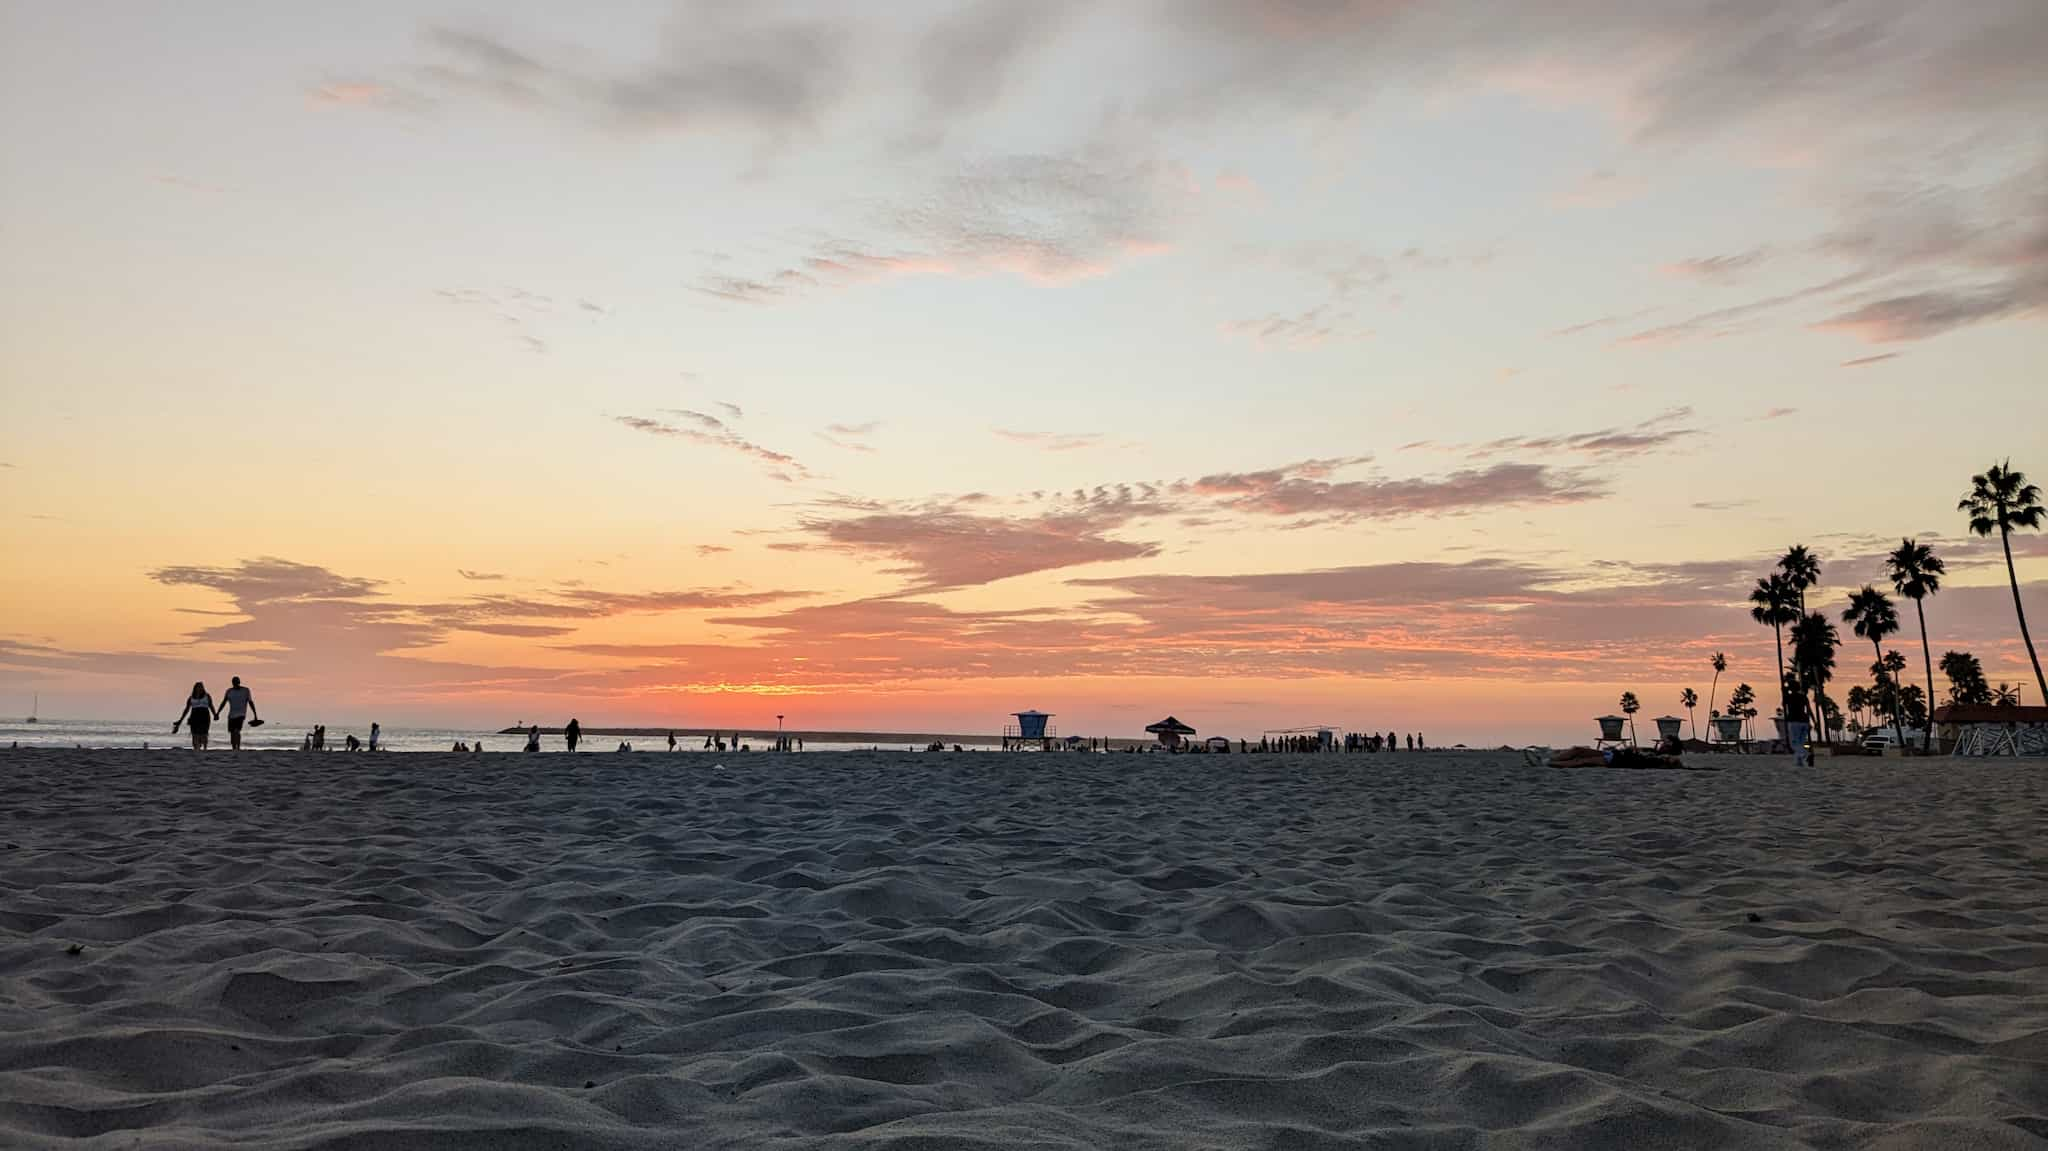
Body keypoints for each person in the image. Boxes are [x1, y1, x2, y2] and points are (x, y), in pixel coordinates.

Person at [215, 676, 260, 752]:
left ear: (239, 682)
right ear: (232, 683)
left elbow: (250, 702)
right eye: (234, 682)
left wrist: (255, 714)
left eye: (237, 682)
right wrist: (218, 713)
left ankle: (238, 747)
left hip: (241, 714)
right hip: (231, 715)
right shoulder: (229, 691)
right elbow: (224, 702)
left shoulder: (245, 690)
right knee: (232, 732)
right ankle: (233, 747)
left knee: (237, 731)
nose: (236, 684)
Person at [174, 681, 213, 751]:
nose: (199, 689)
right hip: (194, 716)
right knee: (194, 734)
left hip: (205, 716)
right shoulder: (191, 698)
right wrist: (180, 720)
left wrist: (215, 714)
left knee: (204, 733)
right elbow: (186, 709)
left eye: (201, 687)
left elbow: (211, 706)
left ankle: (204, 748)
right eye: (198, 687)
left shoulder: (207, 696)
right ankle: (196, 748)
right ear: (195, 688)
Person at [1783, 681, 1812, 767]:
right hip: (1804, 721)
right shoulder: (1803, 697)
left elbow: (1784, 705)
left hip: (1794, 721)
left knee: (1794, 743)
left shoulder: (1788, 697)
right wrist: (1811, 721)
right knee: (1801, 742)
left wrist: (1785, 692)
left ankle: (1805, 754)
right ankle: (1799, 762)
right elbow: (1809, 710)